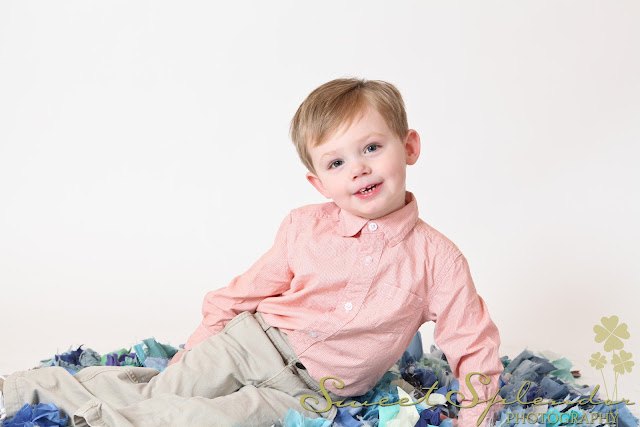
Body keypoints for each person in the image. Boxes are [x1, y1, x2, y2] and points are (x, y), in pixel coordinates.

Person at [0, 78, 503, 427]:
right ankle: (21, 391)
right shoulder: (305, 226)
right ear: (319, 182)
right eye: (336, 162)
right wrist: (195, 353)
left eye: (372, 148)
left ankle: (91, 419)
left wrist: (475, 417)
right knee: (165, 390)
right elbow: (242, 293)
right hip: (249, 342)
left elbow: (472, 346)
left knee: (200, 418)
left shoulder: (439, 261)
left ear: (409, 146)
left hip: (309, 394)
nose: (359, 169)